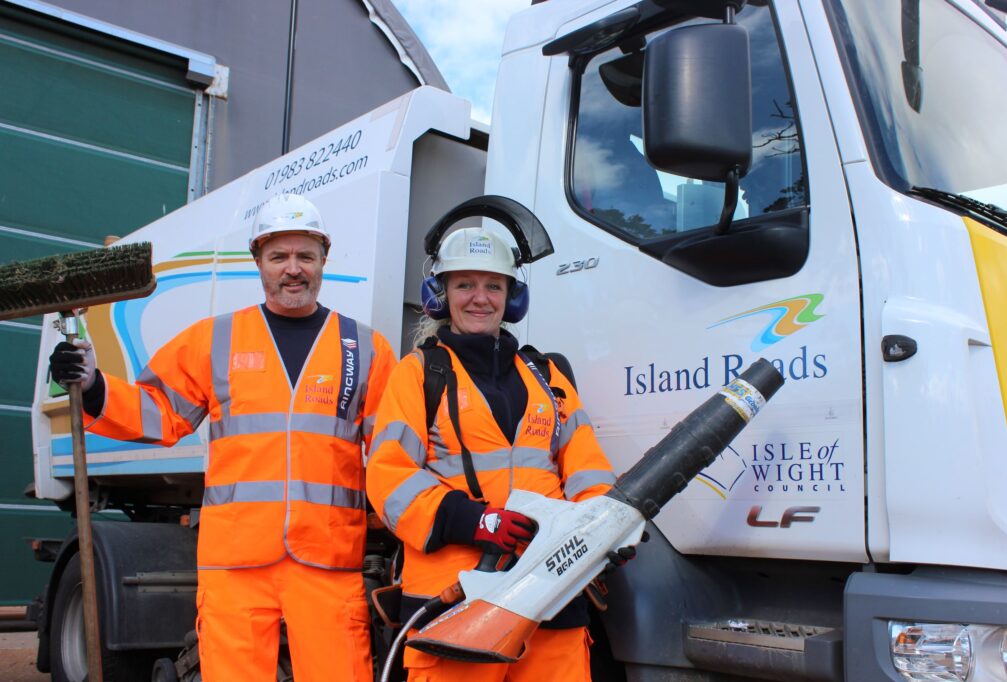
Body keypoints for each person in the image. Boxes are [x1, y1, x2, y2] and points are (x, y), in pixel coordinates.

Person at [48, 193, 397, 682]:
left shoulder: (364, 347)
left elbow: (392, 451)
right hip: (236, 564)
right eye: (279, 256)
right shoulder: (216, 339)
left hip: (327, 561)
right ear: (258, 262)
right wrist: (92, 386)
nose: (292, 269)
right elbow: (161, 411)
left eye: (305, 256)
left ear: (323, 260)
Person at [365, 226, 617, 681]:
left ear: (511, 298)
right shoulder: (419, 374)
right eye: (464, 284)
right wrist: (475, 521)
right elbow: (389, 478)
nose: (479, 298)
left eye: (493, 286)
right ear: (442, 294)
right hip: (455, 597)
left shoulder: (547, 377)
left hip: (550, 589)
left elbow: (586, 466)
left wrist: (606, 526)